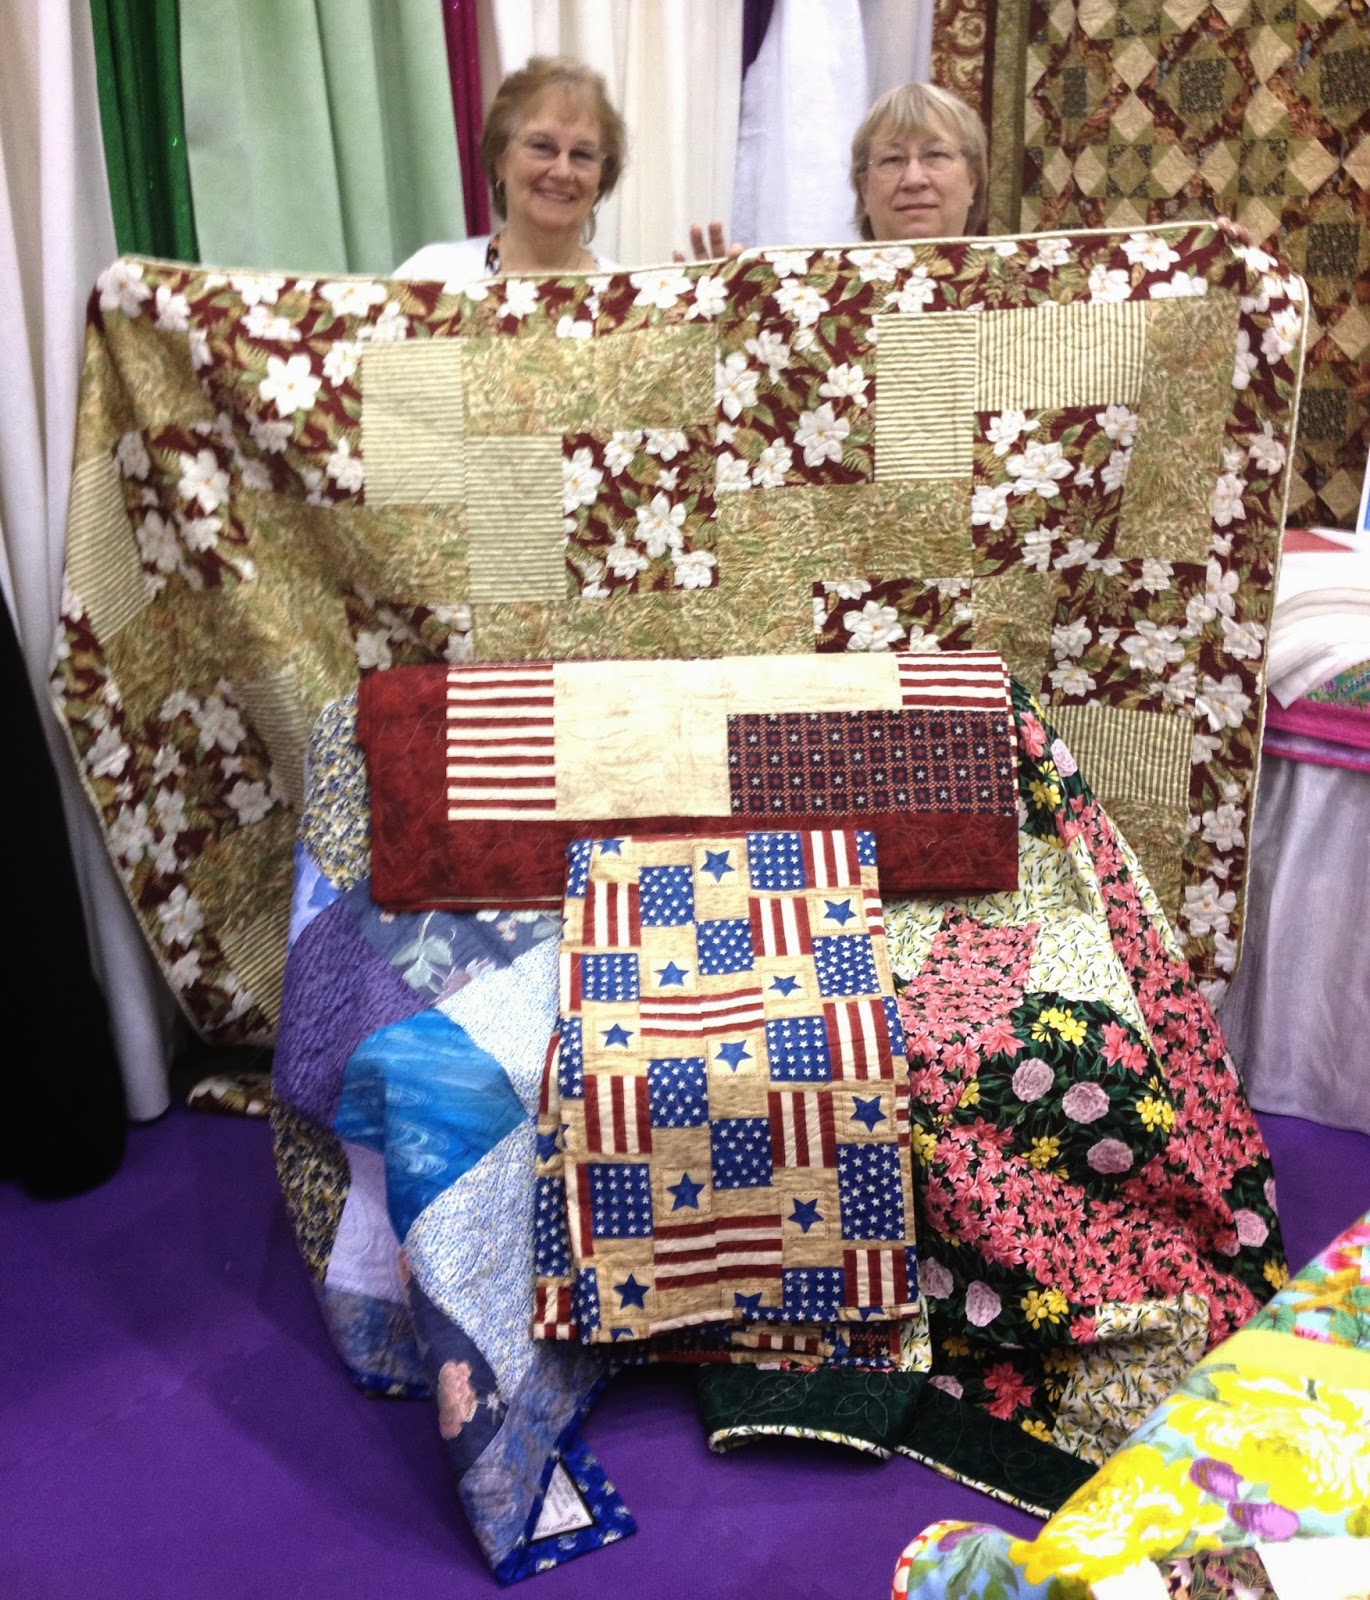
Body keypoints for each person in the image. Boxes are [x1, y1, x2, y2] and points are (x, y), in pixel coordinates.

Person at [680, 80, 987, 260]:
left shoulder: (1012, 297)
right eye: (892, 160)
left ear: (972, 180)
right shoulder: (802, 301)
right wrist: (720, 320)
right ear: (863, 189)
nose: (914, 179)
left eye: (936, 155)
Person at [395, 57, 625, 279]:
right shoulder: (429, 276)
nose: (563, 171)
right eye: (542, 146)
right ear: (500, 160)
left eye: (582, 154)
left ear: (603, 175)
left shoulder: (632, 297)